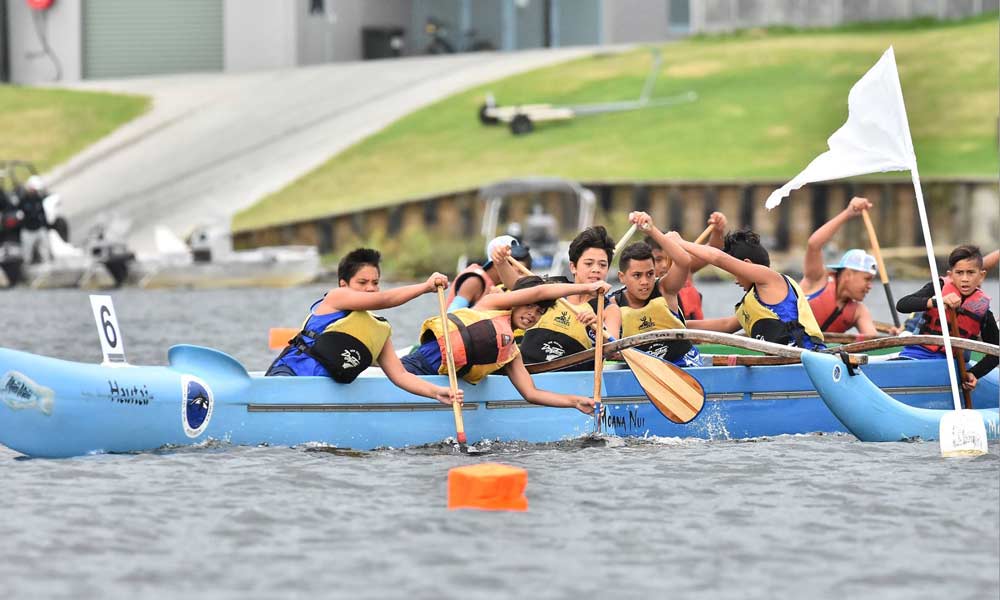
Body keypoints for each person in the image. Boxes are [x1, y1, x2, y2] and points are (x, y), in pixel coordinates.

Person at [401, 244, 605, 414]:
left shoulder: (512, 354)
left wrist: (575, 402)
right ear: (517, 300)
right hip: (414, 367)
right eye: (529, 305)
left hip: (437, 383)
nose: (532, 314)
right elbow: (540, 291)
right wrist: (586, 288)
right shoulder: (491, 304)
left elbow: (531, 393)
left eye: (539, 312)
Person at [265, 248, 462, 406]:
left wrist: (438, 392)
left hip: (320, 393)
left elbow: (401, 375)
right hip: (289, 375)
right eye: (362, 282)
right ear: (344, 284)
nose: (370, 288)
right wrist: (425, 287)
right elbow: (384, 299)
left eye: (375, 282)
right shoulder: (336, 297)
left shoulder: (378, 331)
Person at [676, 228, 825, 349]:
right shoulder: (752, 301)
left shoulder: (770, 279)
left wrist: (680, 243)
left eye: (735, 274)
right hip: (783, 361)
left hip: (807, 355)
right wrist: (676, 324)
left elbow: (718, 259)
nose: (736, 281)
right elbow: (725, 325)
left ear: (747, 264)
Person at [895, 245, 997, 390]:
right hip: (917, 356)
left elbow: (995, 352)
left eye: (971, 273)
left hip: (951, 366)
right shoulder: (937, 287)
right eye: (959, 273)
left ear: (981, 275)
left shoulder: (983, 311)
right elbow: (902, 305)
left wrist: (973, 373)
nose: (965, 279)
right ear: (950, 275)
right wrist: (937, 301)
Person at [520, 226, 623, 368]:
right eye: (588, 263)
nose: (596, 269)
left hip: (573, 382)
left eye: (602, 265)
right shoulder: (551, 290)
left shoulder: (609, 310)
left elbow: (612, 350)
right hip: (526, 374)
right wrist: (500, 262)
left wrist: (599, 328)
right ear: (573, 267)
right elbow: (515, 289)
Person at [611, 211, 703, 367]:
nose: (645, 282)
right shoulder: (613, 303)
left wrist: (651, 230)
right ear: (621, 277)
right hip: (644, 372)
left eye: (650, 274)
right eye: (637, 276)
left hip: (683, 365)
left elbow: (684, 262)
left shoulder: (665, 289)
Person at [798, 196, 895, 336]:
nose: (870, 286)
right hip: (784, 347)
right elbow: (814, 244)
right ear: (849, 275)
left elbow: (873, 342)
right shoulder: (817, 279)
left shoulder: (858, 311)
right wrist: (848, 213)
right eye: (867, 279)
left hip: (821, 355)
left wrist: (894, 339)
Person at [645, 211, 728, 320]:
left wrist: (718, 230)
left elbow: (714, 248)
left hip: (695, 333)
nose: (665, 265)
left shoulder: (685, 267)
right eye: (658, 259)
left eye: (670, 258)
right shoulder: (642, 287)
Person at [447, 235, 531, 311]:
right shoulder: (474, 281)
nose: (517, 277)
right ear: (497, 262)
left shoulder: (501, 288)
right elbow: (451, 313)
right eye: (518, 271)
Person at [18, 176, 51, 264]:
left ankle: (46, 268)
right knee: (27, 255)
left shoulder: (38, 198)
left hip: (39, 229)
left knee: (45, 251)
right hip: (28, 231)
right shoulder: (23, 200)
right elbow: (21, 215)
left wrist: (45, 225)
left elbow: (42, 212)